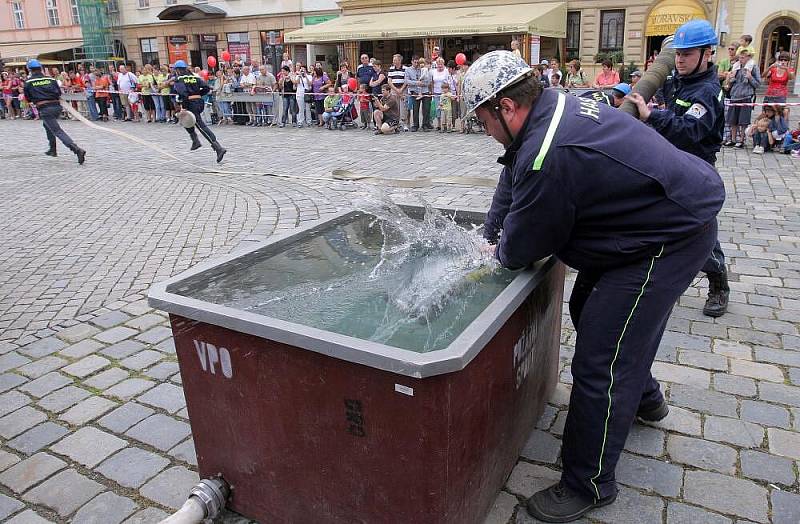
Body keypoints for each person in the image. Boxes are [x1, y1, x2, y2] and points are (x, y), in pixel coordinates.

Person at [462, 49, 724, 523]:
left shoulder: (549, 152)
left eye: (482, 120)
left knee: (602, 358)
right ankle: (646, 401)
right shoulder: (550, 105)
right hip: (644, 220)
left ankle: (588, 484)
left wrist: (497, 252)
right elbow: (511, 173)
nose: (483, 131)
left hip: (669, 235)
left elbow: (524, 245)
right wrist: (489, 233)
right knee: (590, 310)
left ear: (505, 107)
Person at [628, 19, 728, 318]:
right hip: (668, 166)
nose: (680, 59)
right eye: (678, 53)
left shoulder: (707, 92)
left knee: (698, 234)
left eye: (687, 54)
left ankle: (719, 284)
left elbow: (690, 131)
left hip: (696, 174)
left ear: (706, 54)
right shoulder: (675, 81)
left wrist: (652, 117)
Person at [22, 59, 86, 164]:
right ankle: (53, 149)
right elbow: (58, 92)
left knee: (57, 131)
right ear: (40, 68)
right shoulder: (50, 79)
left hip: (45, 108)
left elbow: (28, 98)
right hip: (57, 106)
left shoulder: (28, 82)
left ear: (29, 70)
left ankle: (77, 150)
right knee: (47, 125)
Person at [171, 60, 226, 163]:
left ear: (178, 70)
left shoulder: (179, 79)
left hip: (190, 103)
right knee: (186, 120)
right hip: (198, 101)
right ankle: (195, 140)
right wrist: (198, 94)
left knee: (200, 125)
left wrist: (184, 103)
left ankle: (218, 147)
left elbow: (182, 93)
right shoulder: (195, 77)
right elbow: (206, 88)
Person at [723, 48, 761, 148]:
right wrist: (731, 78)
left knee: (743, 120)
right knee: (732, 120)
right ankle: (733, 139)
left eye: (743, 58)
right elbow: (730, 83)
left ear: (749, 57)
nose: (740, 59)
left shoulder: (753, 67)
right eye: (739, 57)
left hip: (746, 96)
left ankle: (741, 140)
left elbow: (758, 84)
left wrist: (750, 77)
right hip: (734, 95)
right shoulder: (736, 67)